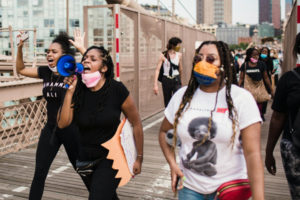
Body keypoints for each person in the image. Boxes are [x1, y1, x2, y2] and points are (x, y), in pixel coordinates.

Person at [158, 41, 264, 200]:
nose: (202, 63)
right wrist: (173, 164)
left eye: (210, 59)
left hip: (228, 190)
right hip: (188, 188)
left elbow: (253, 154)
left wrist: (259, 197)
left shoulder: (241, 99)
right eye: (199, 59)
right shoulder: (181, 96)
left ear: (225, 65)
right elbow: (164, 131)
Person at [57, 45, 144, 199]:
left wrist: (139, 158)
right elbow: (63, 123)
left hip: (112, 158)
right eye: (84, 59)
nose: (86, 61)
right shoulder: (77, 89)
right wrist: (69, 92)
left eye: (92, 59)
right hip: (84, 159)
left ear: (104, 68)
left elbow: (136, 123)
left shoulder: (117, 90)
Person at [16, 31, 87, 199]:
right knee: (39, 172)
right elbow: (21, 69)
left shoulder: (73, 71)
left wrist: (82, 48)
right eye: (48, 51)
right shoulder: (45, 72)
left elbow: (95, 68)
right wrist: (20, 47)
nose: (49, 54)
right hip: (51, 129)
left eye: (54, 51)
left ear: (64, 55)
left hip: (72, 130)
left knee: (84, 171)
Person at [265, 32, 300, 199]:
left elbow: (278, 117)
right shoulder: (288, 80)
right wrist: (269, 151)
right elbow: (277, 117)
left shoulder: (288, 80)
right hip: (294, 148)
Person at [238, 47, 274, 120]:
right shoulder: (245, 65)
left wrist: (271, 89)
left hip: (259, 89)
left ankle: (258, 118)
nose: (256, 57)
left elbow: (266, 77)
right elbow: (241, 78)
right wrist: (237, 88)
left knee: (259, 107)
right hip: (248, 90)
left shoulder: (262, 64)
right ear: (249, 56)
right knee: (249, 106)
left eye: (257, 55)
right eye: (254, 55)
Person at [153, 37, 183, 107]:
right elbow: (157, 70)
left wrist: (180, 80)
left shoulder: (179, 55)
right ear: (173, 45)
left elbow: (180, 68)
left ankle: (176, 116)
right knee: (167, 101)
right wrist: (155, 85)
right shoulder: (163, 55)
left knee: (177, 99)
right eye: (178, 45)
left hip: (176, 79)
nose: (179, 47)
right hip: (166, 79)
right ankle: (169, 116)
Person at [259, 47, 274, 121]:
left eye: (266, 52)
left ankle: (262, 113)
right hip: (258, 81)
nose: (264, 53)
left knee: (265, 98)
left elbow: (271, 70)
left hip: (267, 81)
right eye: (263, 51)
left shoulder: (270, 60)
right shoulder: (257, 60)